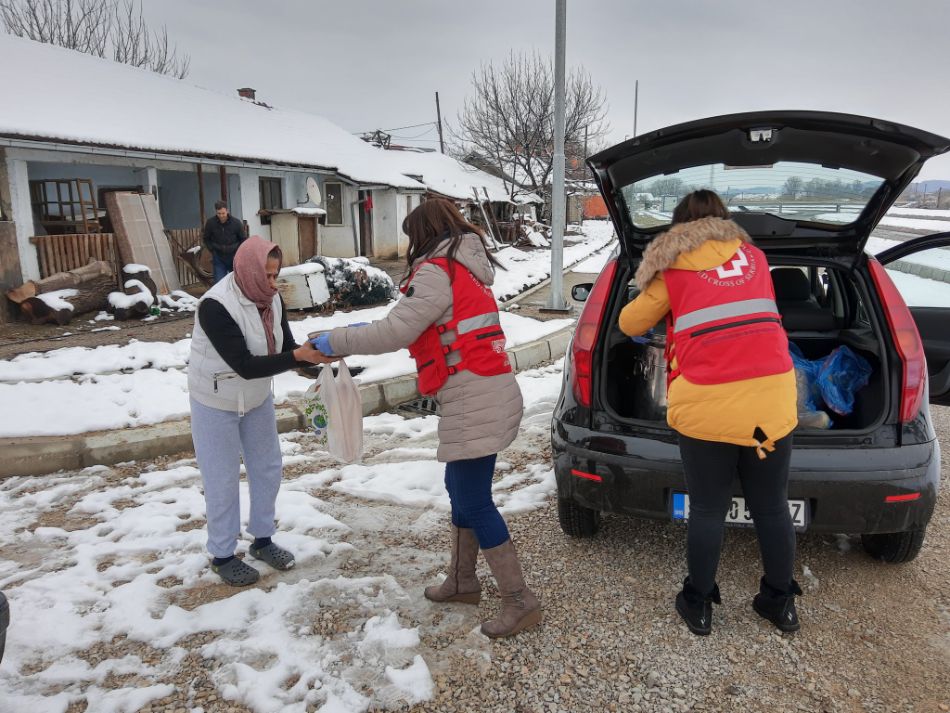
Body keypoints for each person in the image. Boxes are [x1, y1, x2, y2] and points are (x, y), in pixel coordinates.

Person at [311, 198, 540, 638]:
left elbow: (396, 331)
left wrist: (334, 339)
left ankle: (520, 600)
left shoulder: (437, 271)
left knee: (474, 499)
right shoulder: (466, 266)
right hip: (486, 389)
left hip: (476, 397)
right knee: (460, 488)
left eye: (410, 236)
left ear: (424, 233)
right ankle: (462, 581)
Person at [618, 189, 802, 635]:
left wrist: (659, 294)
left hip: (708, 411)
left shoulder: (671, 266)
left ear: (679, 227)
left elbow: (629, 324)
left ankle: (698, 603)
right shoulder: (755, 259)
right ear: (724, 220)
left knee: (706, 509)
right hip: (768, 411)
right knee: (772, 507)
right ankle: (779, 603)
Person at [188, 235, 332, 586]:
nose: (273, 283)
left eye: (276, 275)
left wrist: (320, 359)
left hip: (254, 397)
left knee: (267, 468)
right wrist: (297, 357)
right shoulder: (215, 305)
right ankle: (222, 555)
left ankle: (262, 540)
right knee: (222, 479)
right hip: (216, 399)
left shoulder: (270, 298)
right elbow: (245, 364)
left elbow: (284, 347)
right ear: (247, 269)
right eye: (266, 275)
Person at [203, 200, 247, 283]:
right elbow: (206, 238)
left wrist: (239, 252)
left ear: (227, 210)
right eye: (219, 213)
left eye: (223, 213)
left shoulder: (236, 223)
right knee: (219, 282)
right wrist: (212, 250)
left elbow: (243, 239)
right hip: (218, 258)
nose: (221, 216)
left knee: (236, 282)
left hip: (234, 257)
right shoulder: (210, 223)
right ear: (216, 212)